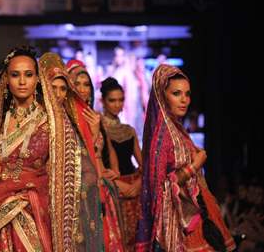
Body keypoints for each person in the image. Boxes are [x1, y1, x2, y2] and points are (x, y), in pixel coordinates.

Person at [0, 47, 90, 251]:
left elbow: (67, 181)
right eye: (15, 75)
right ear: (6, 79)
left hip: (34, 214)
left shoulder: (54, 125)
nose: (22, 81)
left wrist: (29, 195)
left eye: (28, 75)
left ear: (38, 79)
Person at [136, 64, 235, 251]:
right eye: (177, 94)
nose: (184, 100)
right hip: (180, 225)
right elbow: (159, 189)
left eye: (187, 94)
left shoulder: (178, 130)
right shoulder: (162, 137)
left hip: (196, 213)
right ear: (161, 96)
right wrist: (195, 166)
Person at [41, 52, 124, 251]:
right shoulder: (59, 117)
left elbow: (95, 156)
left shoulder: (89, 117)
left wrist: (110, 174)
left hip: (86, 185)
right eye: (76, 84)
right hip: (55, 187)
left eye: (87, 84)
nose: (81, 89)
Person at [100, 77, 143, 252]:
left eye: (121, 100)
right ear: (103, 101)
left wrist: (138, 185)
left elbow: (144, 165)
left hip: (133, 188)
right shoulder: (98, 128)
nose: (117, 104)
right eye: (112, 100)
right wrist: (119, 185)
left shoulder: (129, 130)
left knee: (135, 238)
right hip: (112, 189)